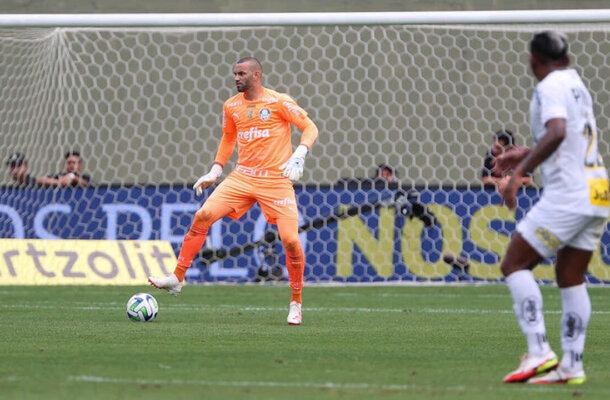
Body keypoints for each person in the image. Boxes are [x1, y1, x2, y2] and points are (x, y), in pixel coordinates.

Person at [148, 56, 319, 325]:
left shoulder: (278, 101)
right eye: (235, 74)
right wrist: (215, 171)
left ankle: (296, 302)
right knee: (203, 215)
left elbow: (310, 127)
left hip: (276, 180)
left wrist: (299, 155)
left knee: (290, 241)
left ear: (256, 75)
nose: (236, 78)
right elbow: (228, 138)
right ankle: (177, 278)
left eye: (241, 73)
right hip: (242, 177)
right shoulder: (231, 106)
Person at [496, 31, 609, 385]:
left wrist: (519, 173)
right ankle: (572, 365)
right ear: (567, 57)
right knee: (570, 277)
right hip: (597, 192)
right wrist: (525, 153)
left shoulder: (549, 86)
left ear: (533, 61)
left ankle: (539, 351)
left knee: (515, 263)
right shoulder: (575, 82)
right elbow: (568, 134)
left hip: (569, 193)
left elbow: (557, 131)